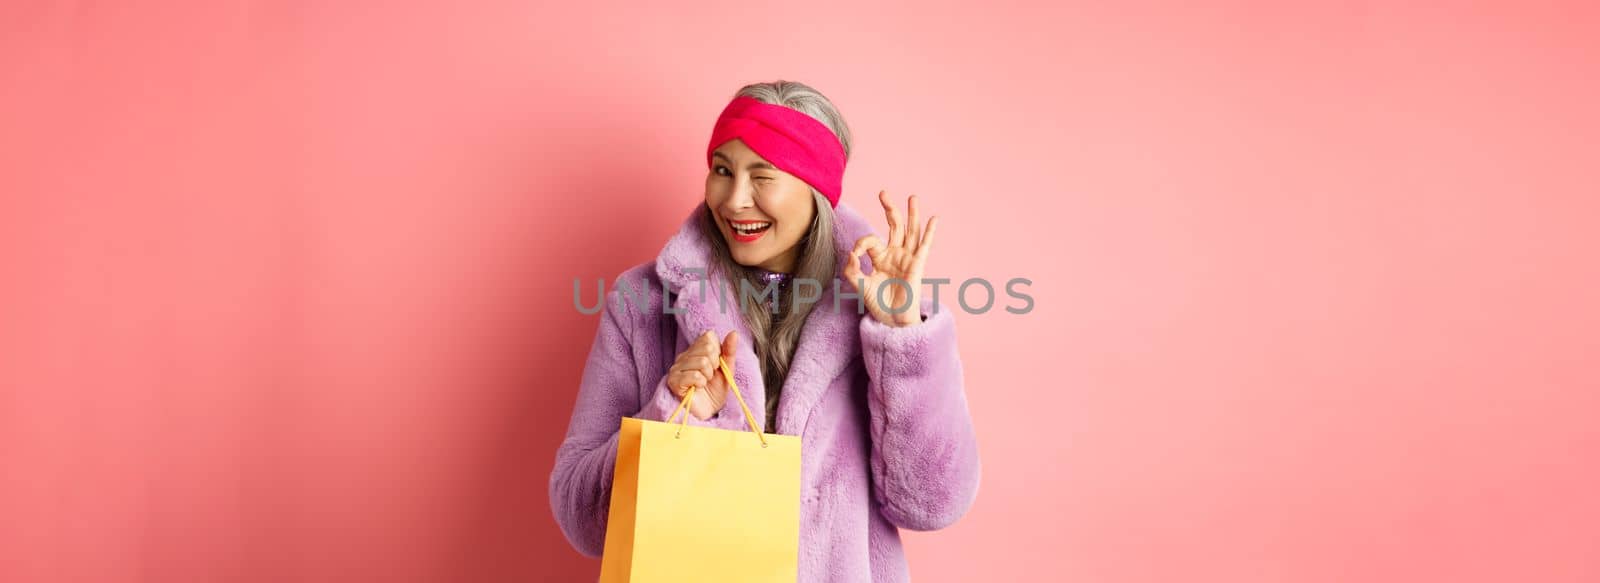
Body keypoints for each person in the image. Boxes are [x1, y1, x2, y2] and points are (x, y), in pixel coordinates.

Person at [549, 80, 980, 582]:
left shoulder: (877, 305)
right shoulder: (641, 302)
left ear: (816, 189)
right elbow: (582, 518)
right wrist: (673, 412)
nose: (734, 200)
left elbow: (931, 503)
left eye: (763, 176)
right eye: (722, 171)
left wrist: (899, 336)